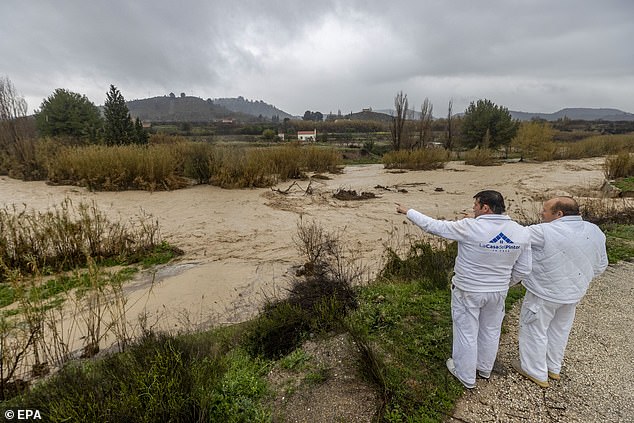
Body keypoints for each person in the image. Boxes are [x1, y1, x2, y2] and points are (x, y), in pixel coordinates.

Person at [396, 190, 532, 389]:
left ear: (485, 207)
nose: (473, 209)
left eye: (475, 205)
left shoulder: (469, 227)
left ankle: (465, 375)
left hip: (468, 290)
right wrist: (503, 283)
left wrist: (409, 211)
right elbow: (524, 269)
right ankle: (484, 368)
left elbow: (433, 226)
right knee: (491, 330)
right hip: (498, 292)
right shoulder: (521, 232)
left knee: (466, 331)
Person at [512, 196, 608, 388]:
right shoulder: (594, 231)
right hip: (573, 293)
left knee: (534, 329)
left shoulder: (542, 231)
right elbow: (601, 266)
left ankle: (535, 371)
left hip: (544, 292)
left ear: (559, 214)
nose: (541, 213)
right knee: (559, 330)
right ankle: (553, 368)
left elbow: (513, 238)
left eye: (545, 210)